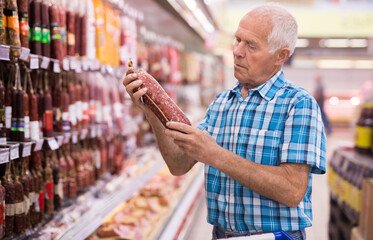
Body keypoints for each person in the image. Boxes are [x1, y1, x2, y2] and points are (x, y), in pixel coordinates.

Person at [123, 3, 326, 240]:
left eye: (251, 45)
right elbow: (179, 165)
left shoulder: (298, 104)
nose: (237, 51)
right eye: (237, 40)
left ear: (280, 56)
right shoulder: (222, 103)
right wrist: (151, 111)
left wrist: (215, 155)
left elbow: (293, 190)